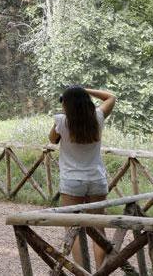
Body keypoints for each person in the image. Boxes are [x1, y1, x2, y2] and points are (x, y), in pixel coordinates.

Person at [50, 85, 116, 267]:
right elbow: (111, 97)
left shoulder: (61, 121)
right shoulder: (98, 117)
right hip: (96, 178)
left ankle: (82, 271)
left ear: (67, 104)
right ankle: (101, 271)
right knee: (98, 228)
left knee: (73, 229)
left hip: (72, 181)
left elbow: (51, 139)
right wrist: (85, 90)